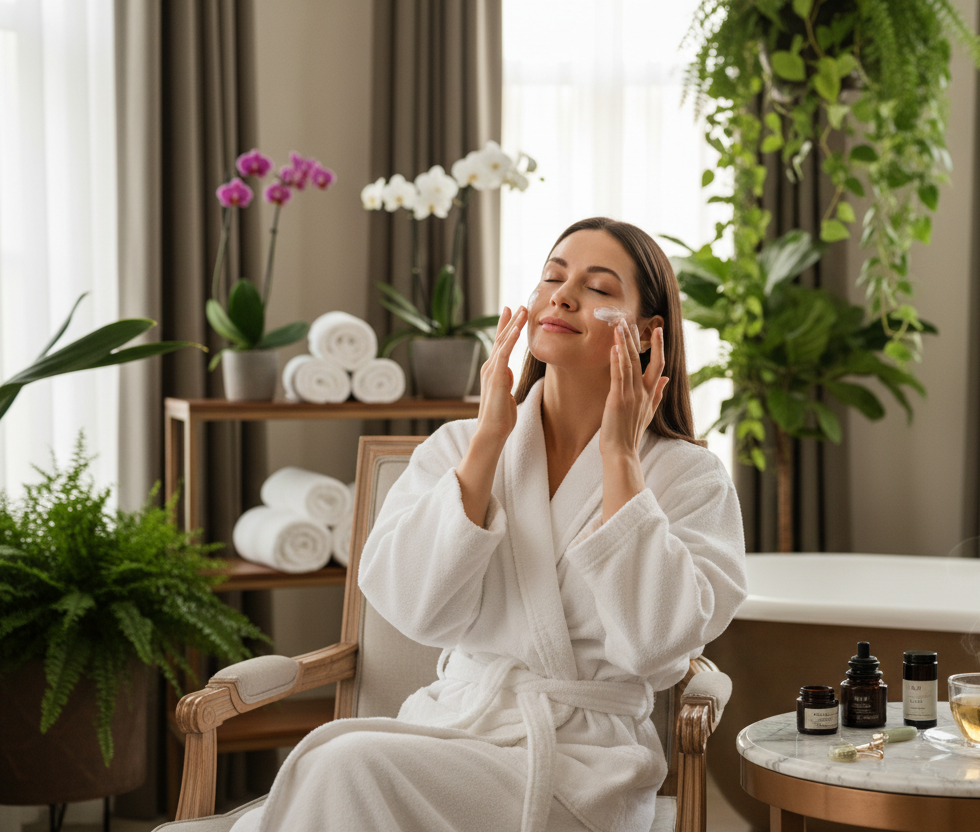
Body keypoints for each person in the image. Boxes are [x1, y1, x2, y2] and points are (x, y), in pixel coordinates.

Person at [232, 217, 747, 832]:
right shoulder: (460, 446)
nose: (561, 294)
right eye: (553, 276)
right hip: (451, 728)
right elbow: (413, 607)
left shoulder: (688, 477)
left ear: (645, 332)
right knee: (343, 766)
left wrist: (620, 461)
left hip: (583, 768)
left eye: (599, 288)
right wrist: (488, 440)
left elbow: (657, 648)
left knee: (344, 764)